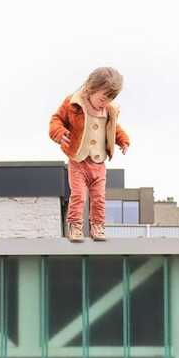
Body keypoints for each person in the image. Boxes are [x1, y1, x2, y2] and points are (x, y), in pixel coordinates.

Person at [49, 67, 130, 243]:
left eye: (110, 98)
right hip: (78, 161)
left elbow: (114, 129)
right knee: (78, 195)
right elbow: (56, 120)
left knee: (99, 198)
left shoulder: (109, 111)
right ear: (91, 88)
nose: (105, 102)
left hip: (98, 163)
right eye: (103, 97)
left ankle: (98, 226)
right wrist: (59, 132)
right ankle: (75, 226)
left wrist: (123, 140)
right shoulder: (73, 103)